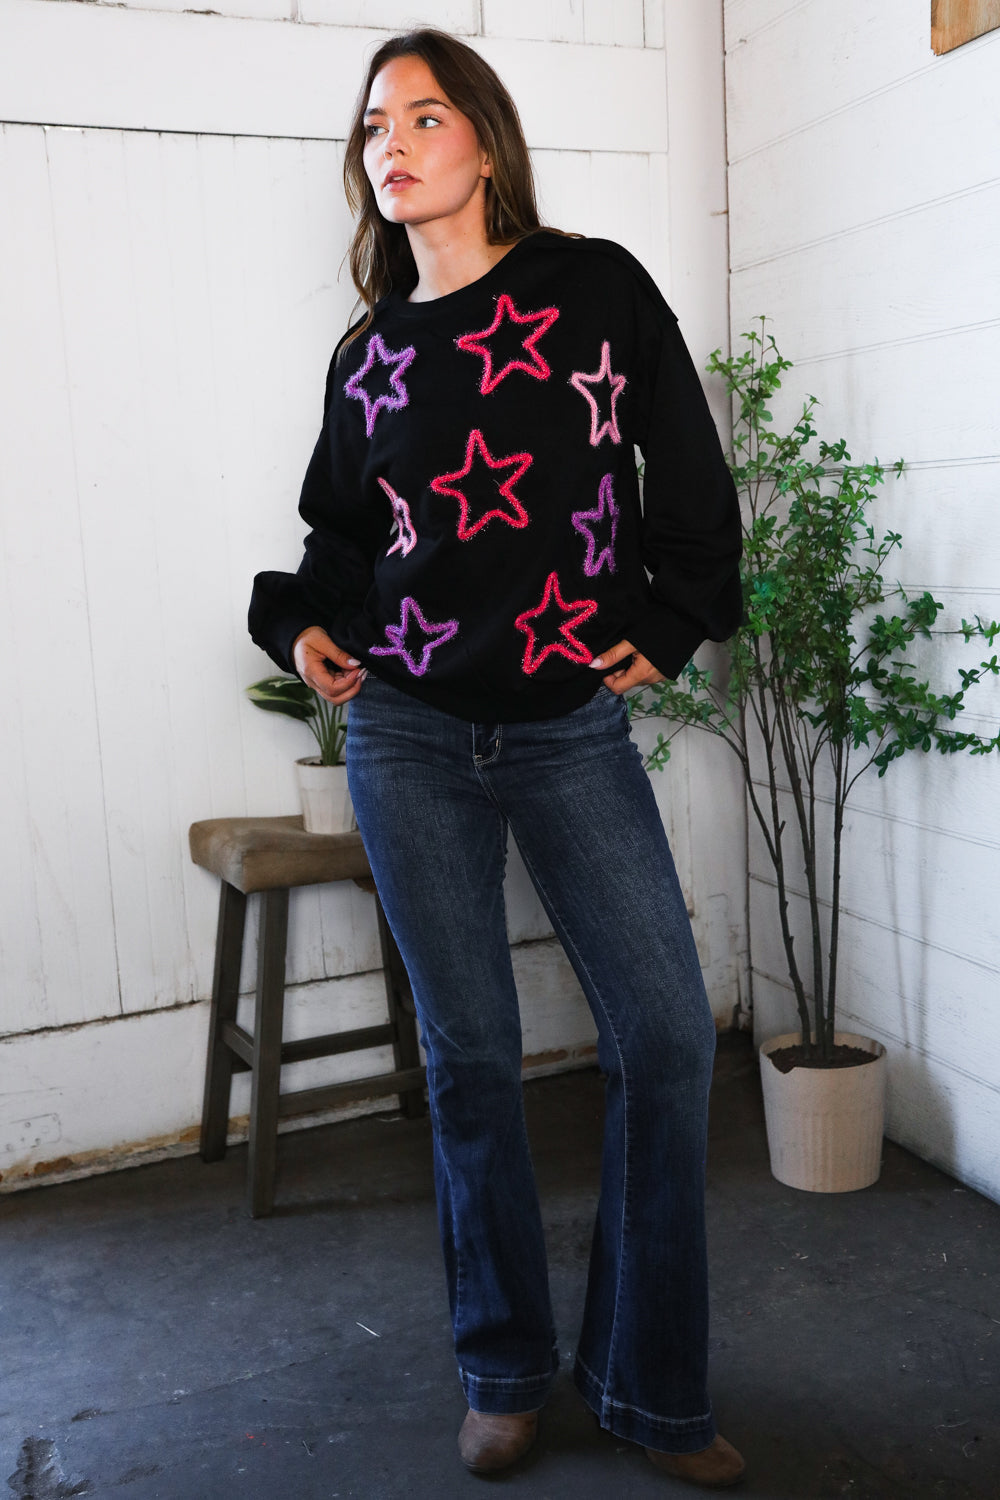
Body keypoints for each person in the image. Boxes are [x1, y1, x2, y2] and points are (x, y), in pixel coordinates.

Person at [249, 28, 745, 1488]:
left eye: (422, 116)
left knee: (663, 1038)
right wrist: (304, 628)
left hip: (566, 728)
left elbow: (688, 471)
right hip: (405, 730)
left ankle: (651, 1386)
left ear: (484, 137)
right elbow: (343, 542)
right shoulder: (370, 355)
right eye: (372, 127)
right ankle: (504, 1369)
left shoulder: (593, 290)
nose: (391, 145)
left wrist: (672, 618)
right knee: (469, 1059)